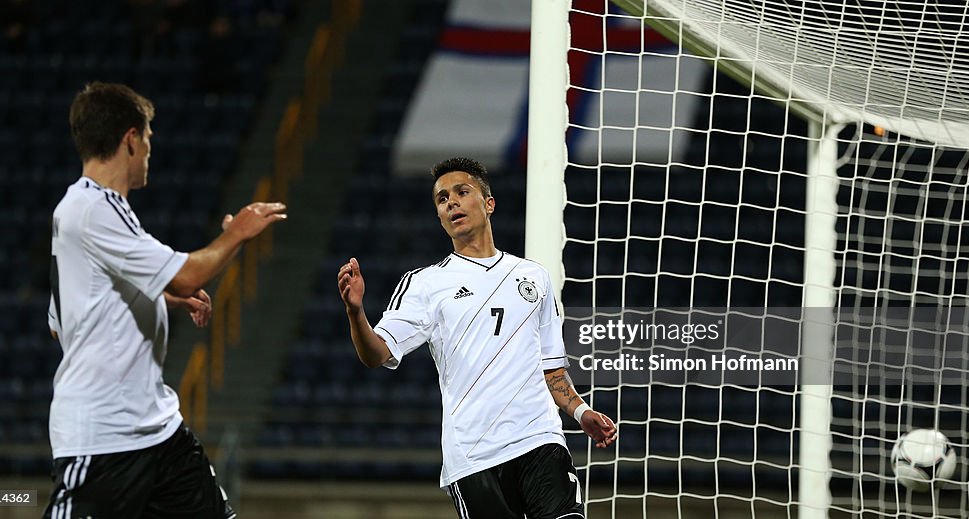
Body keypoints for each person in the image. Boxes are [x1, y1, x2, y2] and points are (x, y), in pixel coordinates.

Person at [44, 82, 286, 518]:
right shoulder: (96, 208)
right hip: (105, 437)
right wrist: (237, 232)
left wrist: (161, 299)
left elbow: (63, 319)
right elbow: (189, 272)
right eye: (149, 140)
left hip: (156, 430)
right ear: (131, 140)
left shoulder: (82, 210)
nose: (150, 151)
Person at [337, 157, 617, 519]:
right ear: (439, 217)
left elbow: (552, 371)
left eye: (461, 192)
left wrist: (580, 412)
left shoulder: (534, 276)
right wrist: (355, 312)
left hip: (540, 440)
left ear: (488, 204)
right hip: (474, 457)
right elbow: (376, 354)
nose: (451, 202)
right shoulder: (425, 284)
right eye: (441, 199)